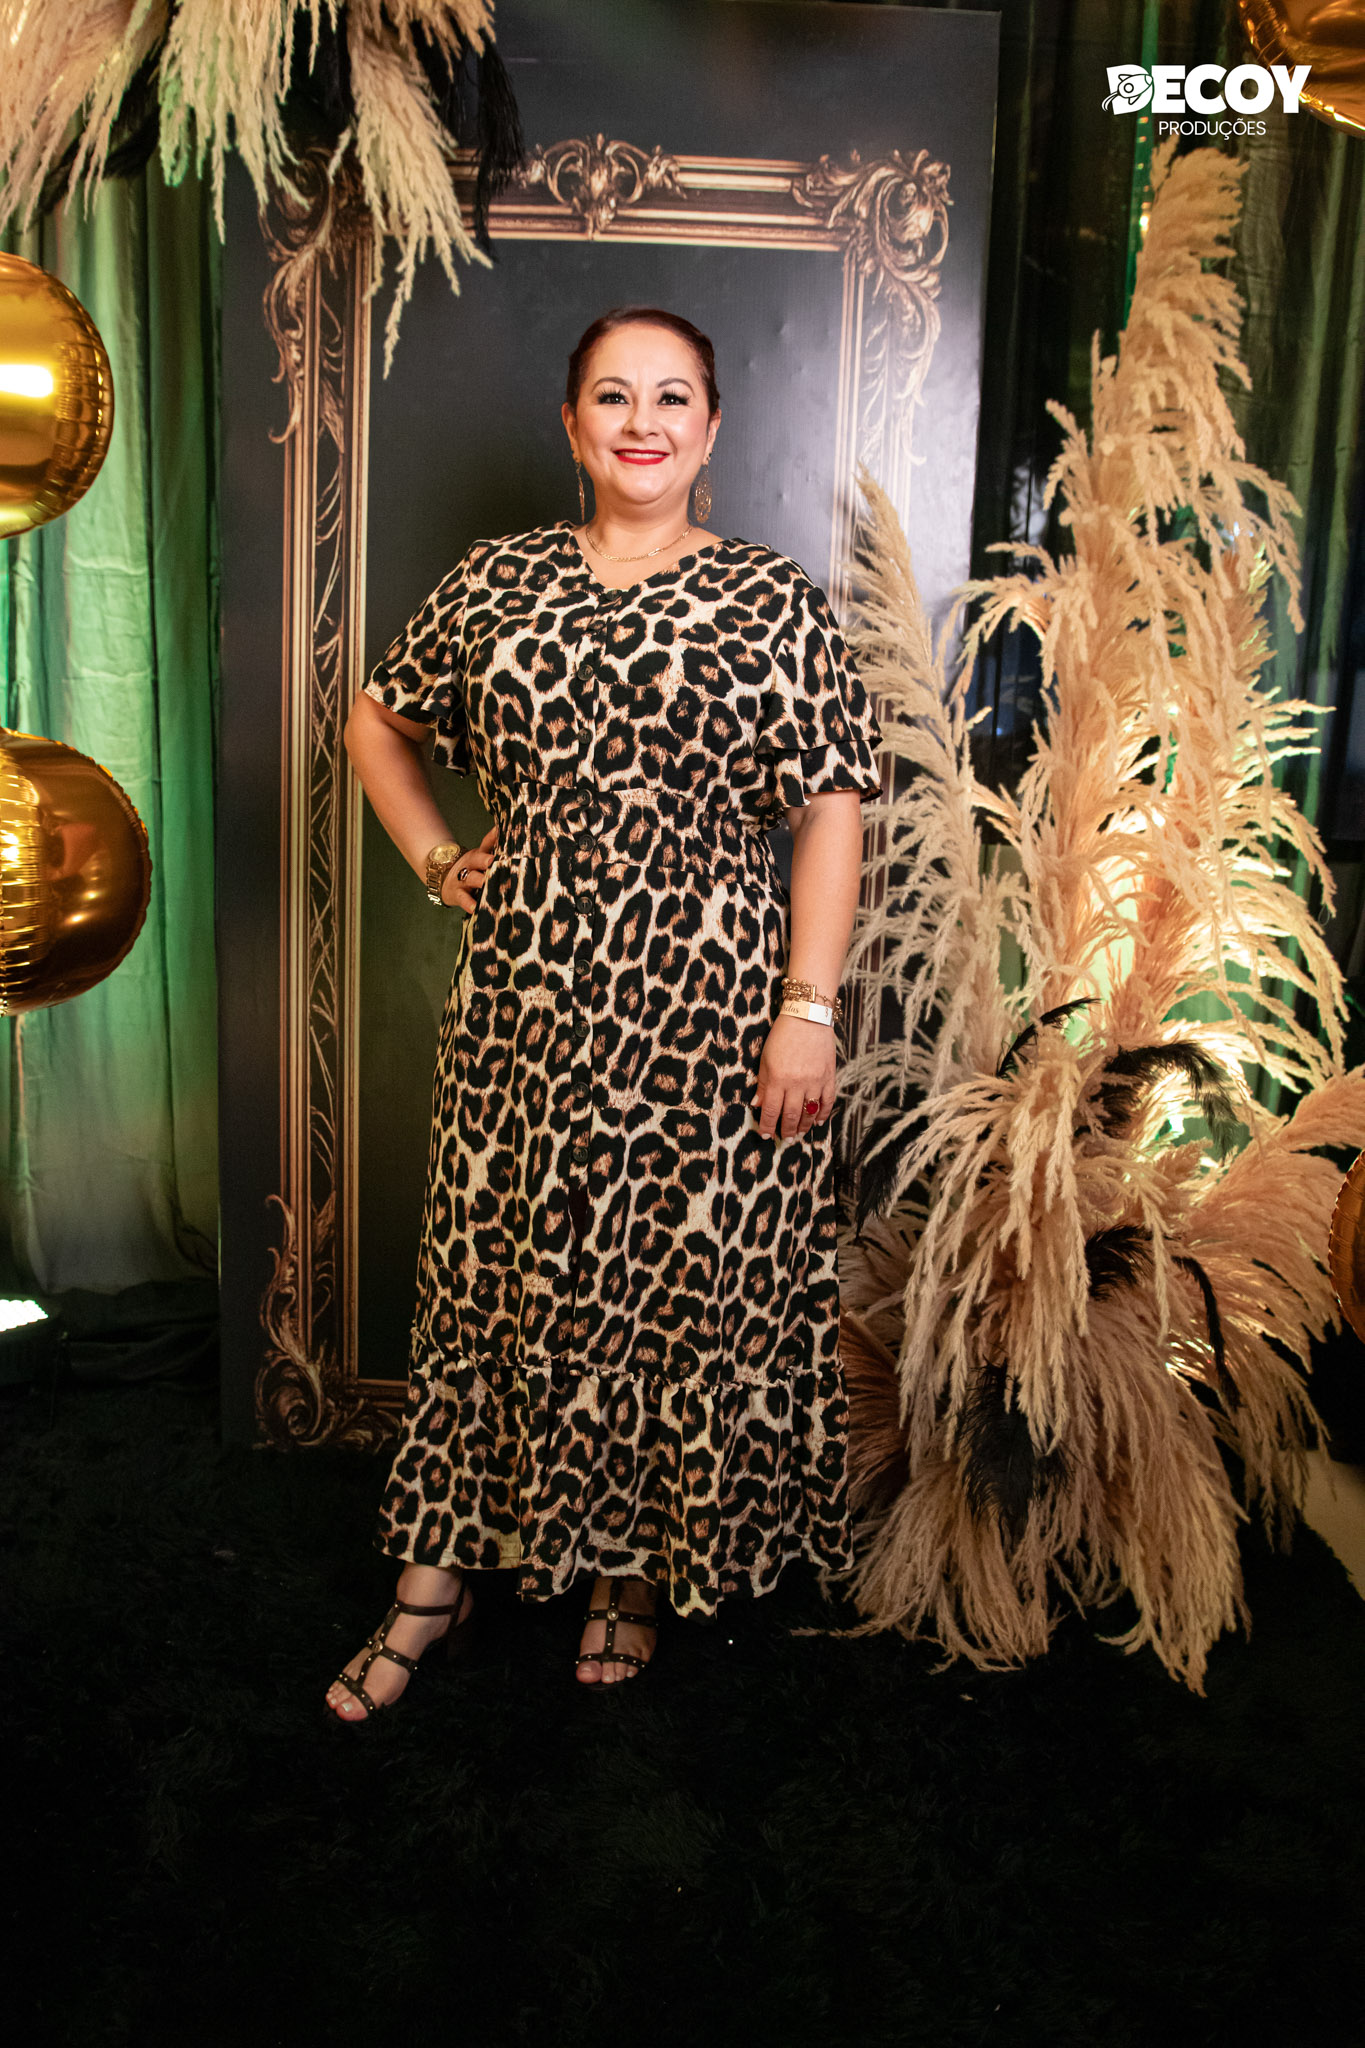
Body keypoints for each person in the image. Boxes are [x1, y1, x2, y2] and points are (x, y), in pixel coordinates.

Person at [326, 305, 884, 1717]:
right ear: (572, 425)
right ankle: (436, 1574)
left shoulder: (771, 597)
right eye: (614, 396)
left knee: (666, 1285)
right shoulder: (495, 581)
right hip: (525, 1002)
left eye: (672, 396)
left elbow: (830, 809)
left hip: (712, 1004)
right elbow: (375, 721)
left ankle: (631, 1571)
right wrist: (437, 859)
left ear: (712, 429)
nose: (644, 422)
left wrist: (808, 1009)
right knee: (494, 1274)